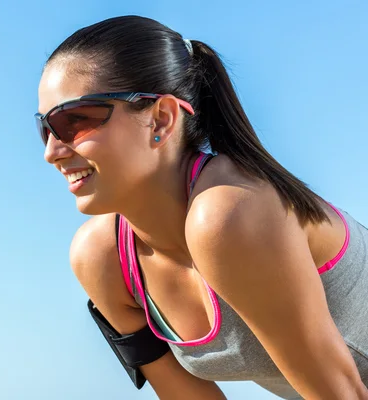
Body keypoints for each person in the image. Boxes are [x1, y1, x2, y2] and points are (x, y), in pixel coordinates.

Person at [34, 15, 368, 400]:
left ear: (161, 119)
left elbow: (342, 394)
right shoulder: (101, 258)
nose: (51, 152)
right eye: (45, 127)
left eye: (75, 121)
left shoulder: (230, 214)